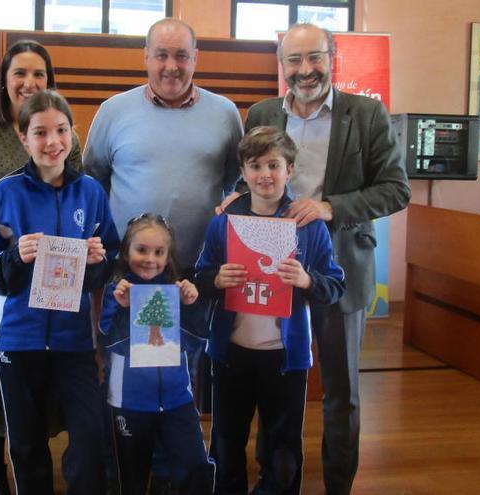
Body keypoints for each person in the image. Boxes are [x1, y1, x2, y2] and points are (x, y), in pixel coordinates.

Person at [241, 24, 411, 494]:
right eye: (293, 61)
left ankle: (339, 485)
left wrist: (329, 207)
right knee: (273, 383)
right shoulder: (262, 112)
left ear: (333, 57)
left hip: (340, 266)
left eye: (314, 57)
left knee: (342, 393)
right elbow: (250, 179)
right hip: (272, 268)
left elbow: (396, 189)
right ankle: (275, 479)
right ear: (282, 65)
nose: (305, 70)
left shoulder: (368, 114)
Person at [83, 17, 243, 491]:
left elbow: (239, 180)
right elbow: (93, 181)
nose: (171, 66)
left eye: (182, 56)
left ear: (196, 59)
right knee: (125, 378)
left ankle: (175, 477)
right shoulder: (114, 111)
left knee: (180, 381)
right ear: (145, 57)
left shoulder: (225, 112)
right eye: (162, 54)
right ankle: (128, 472)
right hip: (128, 278)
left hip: (193, 279)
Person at [0, 90, 119, 495]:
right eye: (40, 132)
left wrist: (97, 260)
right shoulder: (6, 192)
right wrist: (15, 255)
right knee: (27, 443)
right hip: (18, 339)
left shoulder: (90, 192)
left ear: (73, 134)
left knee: (89, 437)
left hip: (73, 340)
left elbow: (109, 262)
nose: (52, 141)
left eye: (61, 130)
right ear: (23, 138)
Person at [0, 39, 82, 494]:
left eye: (39, 75)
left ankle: (33, 463)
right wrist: (15, 247)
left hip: (54, 281)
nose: (30, 83)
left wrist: (48, 245)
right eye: (20, 74)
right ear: (4, 81)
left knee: (39, 374)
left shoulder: (64, 132)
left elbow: (75, 198)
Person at [197, 126, 346, 494]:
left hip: (285, 358)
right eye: (255, 166)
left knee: (282, 446)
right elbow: (199, 278)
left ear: (289, 170)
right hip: (231, 354)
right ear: (243, 173)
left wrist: (307, 280)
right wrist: (217, 279)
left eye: (273, 165)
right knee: (227, 440)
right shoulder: (224, 223)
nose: (265, 174)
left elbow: (335, 284)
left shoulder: (308, 227)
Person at [99, 213, 214, 495]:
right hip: (130, 402)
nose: (150, 259)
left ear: (168, 256)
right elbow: (110, 343)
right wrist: (123, 307)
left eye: (158, 252)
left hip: (177, 399)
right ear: (126, 253)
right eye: (141, 250)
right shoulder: (115, 292)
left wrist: (191, 305)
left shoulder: (176, 292)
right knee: (130, 476)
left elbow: (196, 342)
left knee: (195, 466)